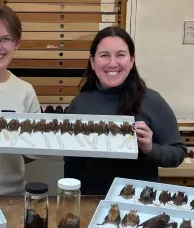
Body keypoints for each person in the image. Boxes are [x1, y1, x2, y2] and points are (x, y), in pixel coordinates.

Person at [64, 26, 187, 195]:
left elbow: (178, 153)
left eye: (120, 55)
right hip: (90, 201)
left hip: (140, 204)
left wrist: (150, 149)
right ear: (92, 62)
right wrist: (70, 196)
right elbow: (71, 162)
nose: (112, 63)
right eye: (104, 55)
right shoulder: (80, 103)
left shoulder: (151, 101)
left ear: (131, 60)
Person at [0, 6, 41, 195]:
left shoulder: (25, 91)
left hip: (15, 195)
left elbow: (35, 150)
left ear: (16, 43)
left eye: (6, 39)